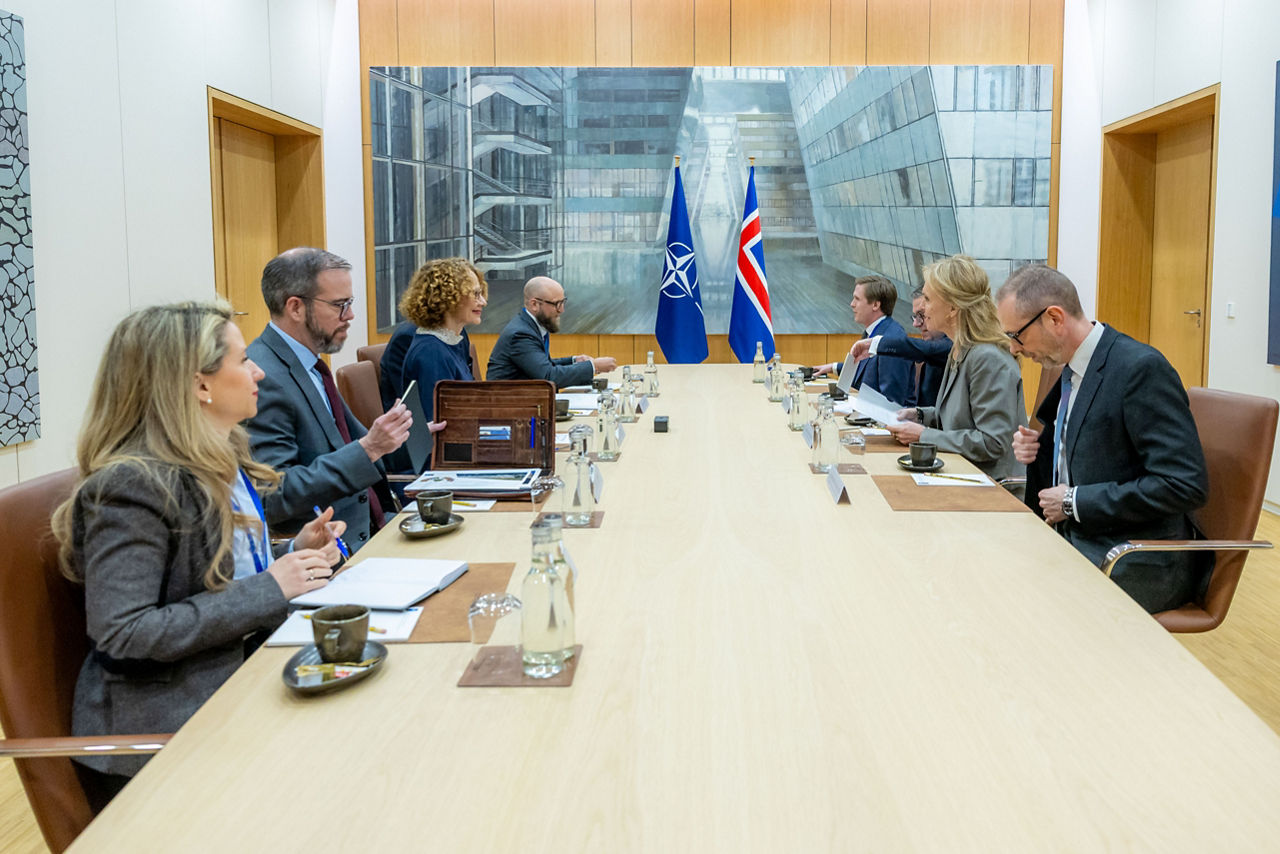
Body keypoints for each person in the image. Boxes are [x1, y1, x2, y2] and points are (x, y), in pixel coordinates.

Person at [51, 302, 345, 810]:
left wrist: (290, 551)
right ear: (199, 385)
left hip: (239, 683)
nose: (257, 371)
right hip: (169, 731)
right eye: (241, 360)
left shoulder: (218, 457)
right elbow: (124, 632)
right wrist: (272, 587)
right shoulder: (132, 484)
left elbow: (204, 573)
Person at [995, 263, 1210, 613]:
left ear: (1054, 318)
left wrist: (1075, 501)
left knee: (1016, 598)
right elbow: (1092, 453)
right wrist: (1039, 450)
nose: (1015, 349)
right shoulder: (1070, 369)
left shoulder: (1139, 369)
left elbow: (1184, 484)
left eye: (1016, 335)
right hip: (1082, 537)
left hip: (1138, 555)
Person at [246, 247, 412, 551]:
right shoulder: (262, 377)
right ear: (295, 308)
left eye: (349, 303)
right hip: (332, 552)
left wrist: (402, 435)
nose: (350, 316)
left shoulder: (309, 365)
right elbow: (274, 495)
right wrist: (370, 447)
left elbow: (351, 444)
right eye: (340, 305)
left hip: (374, 528)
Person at [886, 255, 1026, 483]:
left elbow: (993, 443)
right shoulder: (960, 349)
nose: (923, 308)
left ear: (952, 307)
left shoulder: (987, 357)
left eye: (929, 299)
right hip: (963, 476)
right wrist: (921, 415)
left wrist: (923, 435)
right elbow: (961, 418)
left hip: (993, 488)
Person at [389, 257, 487, 424]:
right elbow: (441, 426)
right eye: (476, 294)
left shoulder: (454, 340)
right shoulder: (431, 353)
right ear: (450, 297)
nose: (483, 302)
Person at [486, 275, 617, 388]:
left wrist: (574, 360)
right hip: (510, 408)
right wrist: (593, 366)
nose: (562, 310)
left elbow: (542, 366)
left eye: (563, 302)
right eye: (556, 304)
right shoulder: (520, 334)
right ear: (534, 304)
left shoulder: (530, 326)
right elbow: (548, 376)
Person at [811, 275, 913, 404]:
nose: (852, 304)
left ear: (875, 305)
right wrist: (833, 367)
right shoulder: (874, 331)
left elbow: (890, 401)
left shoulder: (892, 340)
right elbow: (867, 369)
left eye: (857, 299)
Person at [848, 287, 952, 407]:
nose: (916, 324)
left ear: (950, 309)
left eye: (922, 315)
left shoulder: (955, 347)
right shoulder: (934, 346)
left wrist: (876, 344)